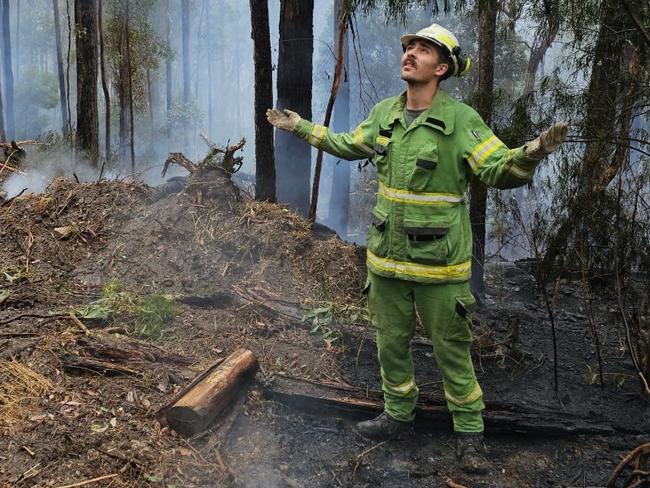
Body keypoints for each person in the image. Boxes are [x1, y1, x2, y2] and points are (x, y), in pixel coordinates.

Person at [266, 23, 567, 474]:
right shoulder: (386, 113)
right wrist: (302, 127)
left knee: (452, 350)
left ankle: (469, 435)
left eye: (423, 51)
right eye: (409, 48)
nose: (410, 55)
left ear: (441, 68)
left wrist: (532, 152)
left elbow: (498, 170)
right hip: (386, 263)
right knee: (391, 344)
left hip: (441, 269)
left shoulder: (461, 120)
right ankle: (397, 416)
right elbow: (349, 145)